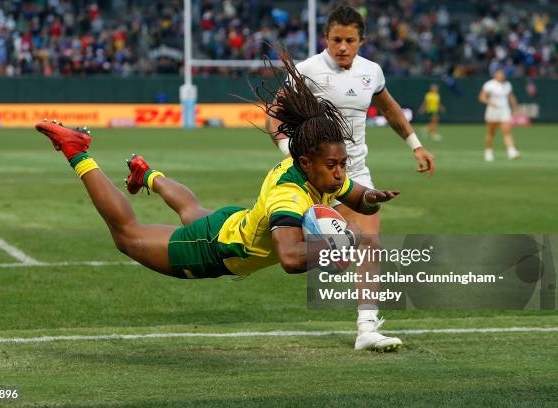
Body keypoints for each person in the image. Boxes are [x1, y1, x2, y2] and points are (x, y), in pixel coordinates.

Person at [35, 54, 401, 350]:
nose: (340, 174)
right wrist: (338, 246)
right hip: (216, 250)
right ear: (306, 163)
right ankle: (76, 151)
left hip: (234, 223)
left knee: (192, 212)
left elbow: (358, 198)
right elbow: (289, 258)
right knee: (126, 236)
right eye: (334, 166)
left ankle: (145, 174)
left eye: (343, 166)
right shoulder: (289, 195)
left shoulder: (319, 171)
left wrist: (371, 197)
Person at [267, 5, 434, 352]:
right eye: (336, 40)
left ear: (361, 41)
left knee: (370, 243)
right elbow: (274, 114)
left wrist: (416, 146)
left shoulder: (371, 72)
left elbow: (389, 110)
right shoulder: (308, 70)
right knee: (284, 249)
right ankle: (330, 251)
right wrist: (288, 151)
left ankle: (367, 328)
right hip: (310, 176)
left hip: (354, 173)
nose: (342, 47)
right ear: (326, 38)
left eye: (350, 40)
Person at [478, 69, 521, 161]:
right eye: (500, 74)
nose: (502, 76)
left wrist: (516, 108)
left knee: (507, 131)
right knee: (491, 132)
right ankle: (488, 152)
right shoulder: (489, 85)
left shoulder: (507, 85)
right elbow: (482, 97)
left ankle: (511, 151)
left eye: (503, 74)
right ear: (495, 75)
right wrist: (490, 103)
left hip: (504, 110)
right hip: (492, 111)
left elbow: (511, 97)